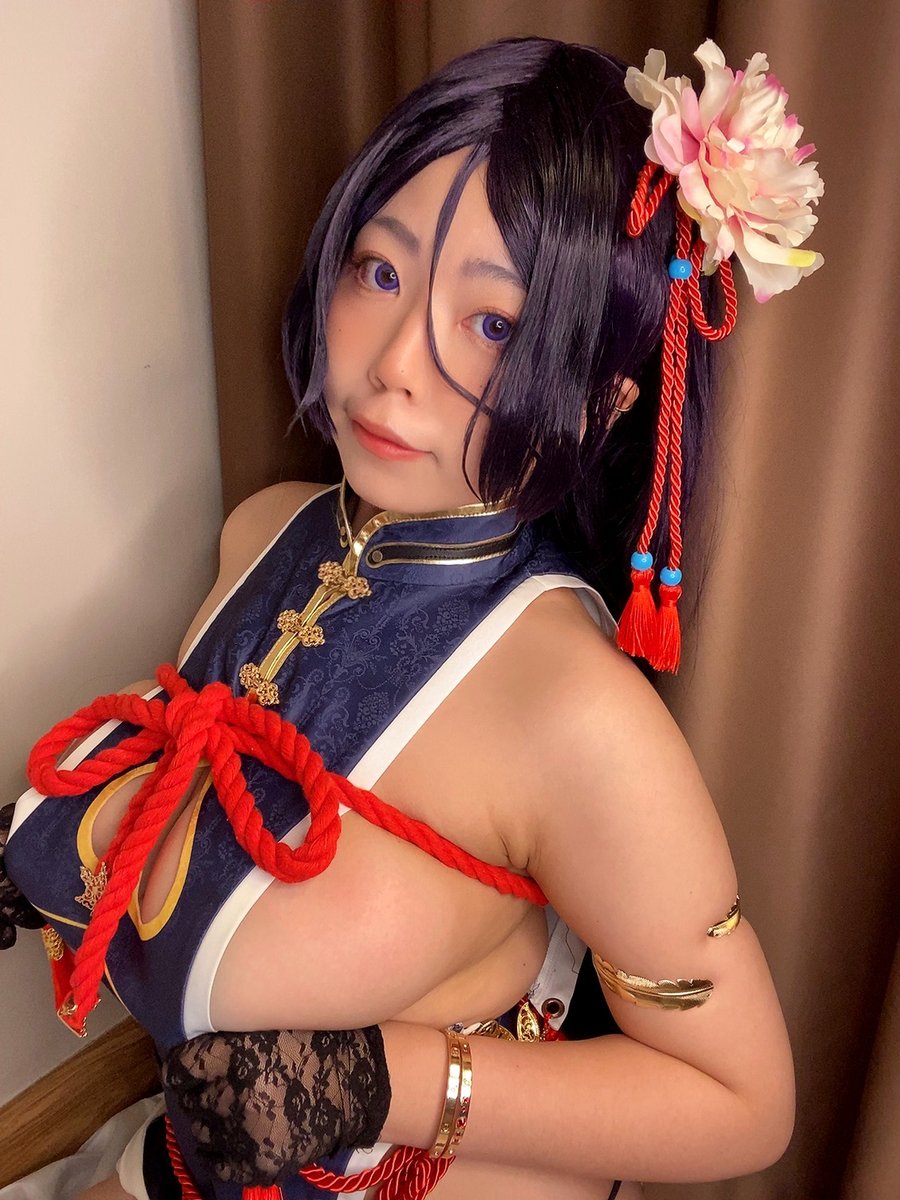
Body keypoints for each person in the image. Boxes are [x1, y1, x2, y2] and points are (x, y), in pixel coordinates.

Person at [1, 32, 822, 1200]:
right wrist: (47, 833)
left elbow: (746, 1105)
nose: (395, 365)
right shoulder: (266, 534)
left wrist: (380, 1082)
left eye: (495, 326)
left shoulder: (578, 718)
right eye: (381, 274)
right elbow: (195, 777)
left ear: (599, 403)